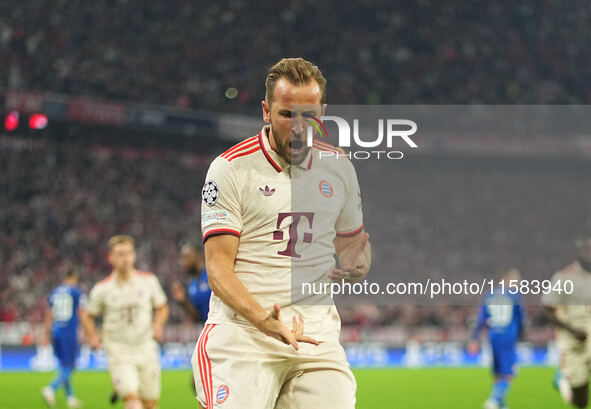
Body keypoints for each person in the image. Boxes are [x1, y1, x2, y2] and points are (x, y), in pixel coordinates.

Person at [191, 57, 371, 409]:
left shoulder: (339, 169)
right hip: (243, 336)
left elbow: (352, 247)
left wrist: (358, 262)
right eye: (288, 115)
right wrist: (263, 319)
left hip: (314, 339)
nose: (300, 126)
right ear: (266, 111)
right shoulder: (229, 169)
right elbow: (218, 269)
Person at [81, 235, 169, 409]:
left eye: (128, 253)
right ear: (111, 258)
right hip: (118, 350)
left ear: (134, 255)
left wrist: (158, 325)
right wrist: (92, 336)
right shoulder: (102, 288)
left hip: (146, 347)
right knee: (132, 400)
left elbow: (162, 306)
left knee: (150, 403)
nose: (125, 258)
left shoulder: (148, 281)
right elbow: (87, 314)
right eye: (120, 254)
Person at [542, 238, 591, 408]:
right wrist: (572, 330)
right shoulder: (564, 277)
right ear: (578, 253)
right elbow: (546, 311)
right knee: (581, 400)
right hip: (573, 343)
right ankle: (564, 383)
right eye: (586, 249)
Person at [469, 268, 524, 409]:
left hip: (493, 336)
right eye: (516, 281)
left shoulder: (490, 294)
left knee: (497, 372)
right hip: (508, 337)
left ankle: (502, 404)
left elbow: (481, 318)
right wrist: (521, 337)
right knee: (509, 372)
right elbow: (520, 319)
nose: (518, 284)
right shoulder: (514, 295)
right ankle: (494, 399)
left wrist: (474, 338)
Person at [40, 267, 87, 408]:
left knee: (63, 365)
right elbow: (82, 313)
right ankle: (51, 388)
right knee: (70, 365)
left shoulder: (54, 292)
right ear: (75, 277)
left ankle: (70, 398)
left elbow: (49, 314)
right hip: (69, 332)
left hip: (56, 331)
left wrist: (46, 334)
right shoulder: (76, 292)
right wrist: (88, 333)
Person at [171, 244, 211, 323]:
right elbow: (198, 317)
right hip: (209, 329)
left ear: (200, 257)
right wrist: (183, 302)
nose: (183, 262)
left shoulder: (211, 274)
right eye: (182, 258)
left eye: (187, 257)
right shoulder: (192, 285)